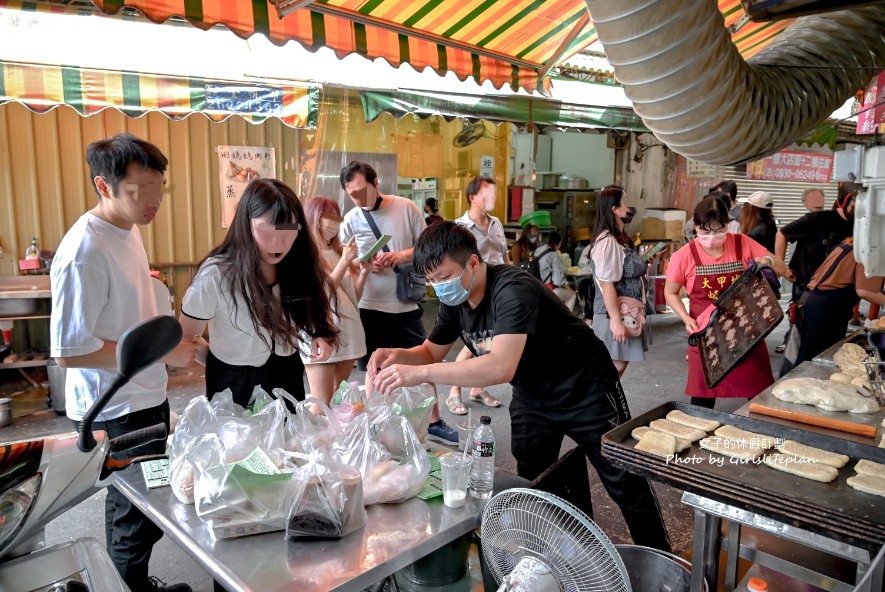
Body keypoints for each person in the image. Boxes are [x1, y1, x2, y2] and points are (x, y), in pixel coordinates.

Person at [367, 222, 671, 551]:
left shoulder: (512, 288)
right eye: (432, 281)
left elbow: (500, 366)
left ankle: (661, 562)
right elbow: (429, 351)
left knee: (625, 482)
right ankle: (560, 555)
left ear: (472, 262)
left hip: (587, 388)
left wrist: (423, 374)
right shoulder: (456, 302)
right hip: (533, 393)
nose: (440, 287)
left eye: (444, 276)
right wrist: (397, 355)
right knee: (534, 480)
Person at [50, 133, 196, 592]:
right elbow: (68, 351)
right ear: (104, 185)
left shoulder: (128, 229)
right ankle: (126, 587)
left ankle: (134, 583)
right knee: (131, 515)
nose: (153, 202)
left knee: (151, 503)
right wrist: (159, 353)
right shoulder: (83, 253)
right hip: (114, 409)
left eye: (159, 188)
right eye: (139, 190)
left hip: (144, 395)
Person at [179, 179, 338, 408]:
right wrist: (215, 360)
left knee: (287, 440)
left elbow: (309, 311)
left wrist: (320, 335)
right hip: (233, 383)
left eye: (287, 230)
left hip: (286, 376)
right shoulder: (217, 275)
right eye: (266, 230)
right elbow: (186, 336)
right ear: (246, 224)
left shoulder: (296, 265)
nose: (278, 243)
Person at [338, 160, 458, 443]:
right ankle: (378, 422)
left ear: (376, 183)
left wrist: (400, 256)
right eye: (352, 194)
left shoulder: (406, 208)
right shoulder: (351, 220)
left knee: (422, 362)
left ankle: (434, 421)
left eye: (362, 191)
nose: (358, 199)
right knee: (374, 367)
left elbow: (428, 249)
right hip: (369, 304)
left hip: (405, 303)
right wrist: (363, 265)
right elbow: (344, 261)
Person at [664, 198, 786, 409]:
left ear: (727, 224)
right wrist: (686, 318)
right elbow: (671, 292)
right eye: (705, 231)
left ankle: (763, 436)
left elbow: (782, 268)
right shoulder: (684, 255)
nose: (711, 237)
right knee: (702, 399)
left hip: (747, 332)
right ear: (696, 227)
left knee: (758, 395)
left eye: (718, 230)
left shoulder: (742, 243)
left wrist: (768, 262)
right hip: (707, 334)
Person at [782, 208, 885, 373]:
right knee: (806, 363)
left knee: (813, 358)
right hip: (822, 309)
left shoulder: (855, 241)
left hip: (818, 303)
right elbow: (866, 291)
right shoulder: (872, 249)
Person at [446, 176, 508, 414]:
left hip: (497, 291)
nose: (492, 198)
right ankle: (454, 392)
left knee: (486, 343)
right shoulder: (459, 228)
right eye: (486, 193)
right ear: (472, 197)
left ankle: (476, 388)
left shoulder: (496, 224)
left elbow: (502, 257)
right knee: (473, 344)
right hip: (472, 294)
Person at [300, 197, 369, 404]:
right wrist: (345, 261)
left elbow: (353, 296)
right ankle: (316, 437)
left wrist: (364, 273)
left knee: (339, 400)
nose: (333, 223)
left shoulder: (337, 251)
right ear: (314, 218)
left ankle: (334, 437)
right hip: (321, 332)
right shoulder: (305, 253)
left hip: (348, 331)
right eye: (327, 216)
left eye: (335, 216)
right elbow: (322, 292)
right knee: (321, 403)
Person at [589, 185, 647, 377]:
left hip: (624, 312)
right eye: (626, 203)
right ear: (614, 209)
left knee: (615, 369)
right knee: (611, 369)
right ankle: (596, 405)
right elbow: (607, 284)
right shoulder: (607, 242)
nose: (630, 207)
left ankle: (604, 404)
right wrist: (615, 321)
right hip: (613, 314)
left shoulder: (618, 239)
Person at [534, 231, 577, 311]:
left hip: (537, 288)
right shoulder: (553, 255)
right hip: (549, 290)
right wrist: (568, 287)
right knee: (572, 295)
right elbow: (558, 281)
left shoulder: (538, 251)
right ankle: (566, 320)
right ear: (558, 243)